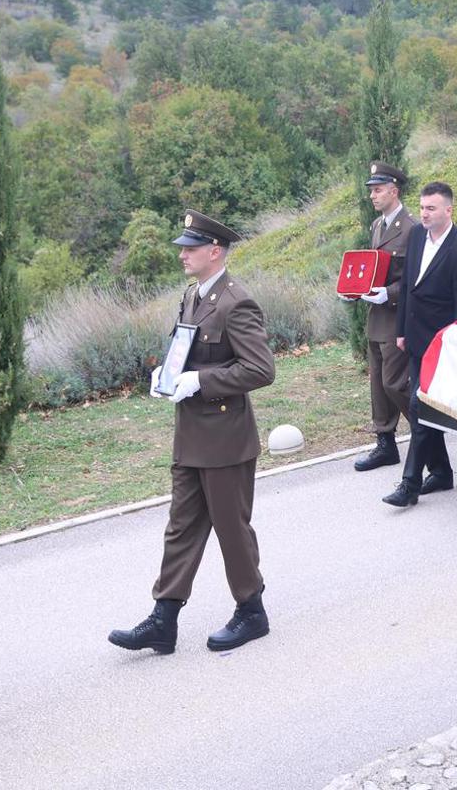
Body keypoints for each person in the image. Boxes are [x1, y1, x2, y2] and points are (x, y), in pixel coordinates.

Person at [109, 211, 276, 658]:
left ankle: (251, 609)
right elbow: (187, 346)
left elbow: (261, 369)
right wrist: (168, 372)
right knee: (181, 528)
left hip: (224, 437)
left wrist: (202, 381)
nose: (182, 253)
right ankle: (164, 618)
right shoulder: (193, 296)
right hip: (192, 436)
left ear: (215, 251)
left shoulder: (234, 302)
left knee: (230, 529)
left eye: (190, 247)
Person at [383, 182, 457, 505]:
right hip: (413, 338)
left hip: (441, 346)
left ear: (448, 210)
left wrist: (452, 350)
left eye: (431, 208)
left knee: (418, 405)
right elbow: (409, 286)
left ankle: (409, 485)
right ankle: (440, 472)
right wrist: (401, 331)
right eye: (422, 207)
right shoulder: (415, 238)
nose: (423, 213)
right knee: (424, 407)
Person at [348, 162, 414, 473]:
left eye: (378, 190)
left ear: (394, 190)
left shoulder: (412, 227)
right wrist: (354, 289)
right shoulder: (378, 226)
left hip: (398, 316)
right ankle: (385, 443)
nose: (373, 195)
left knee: (394, 382)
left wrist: (390, 294)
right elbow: (374, 268)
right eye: (371, 190)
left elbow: (415, 278)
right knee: (377, 381)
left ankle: (426, 431)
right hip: (377, 315)